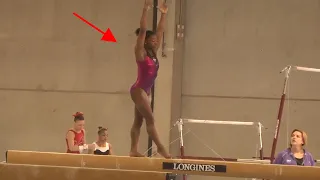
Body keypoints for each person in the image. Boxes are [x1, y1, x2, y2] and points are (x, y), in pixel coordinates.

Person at [129, 0, 171, 158]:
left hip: (145, 91)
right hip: (138, 90)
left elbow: (160, 30)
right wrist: (145, 9)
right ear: (145, 41)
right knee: (150, 119)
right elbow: (143, 30)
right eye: (151, 40)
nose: (155, 42)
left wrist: (163, 14)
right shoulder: (141, 53)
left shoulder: (153, 53)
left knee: (138, 122)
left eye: (156, 41)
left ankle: (133, 150)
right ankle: (160, 148)